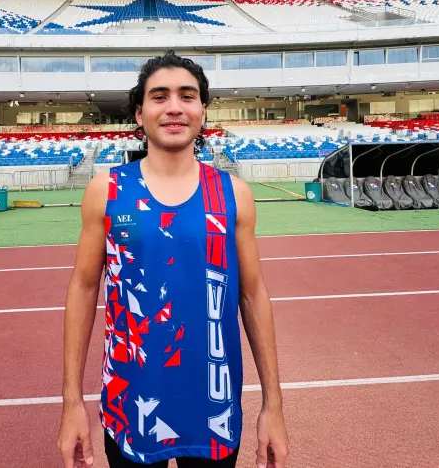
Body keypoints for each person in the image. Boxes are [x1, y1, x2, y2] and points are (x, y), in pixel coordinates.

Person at [58, 51, 288, 468]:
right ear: (139, 112)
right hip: (130, 405)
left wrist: (273, 406)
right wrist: (72, 401)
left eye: (187, 95)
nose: (175, 107)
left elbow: (252, 295)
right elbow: (84, 288)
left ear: (203, 109)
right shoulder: (106, 190)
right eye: (159, 96)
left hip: (214, 408)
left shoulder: (233, 194)